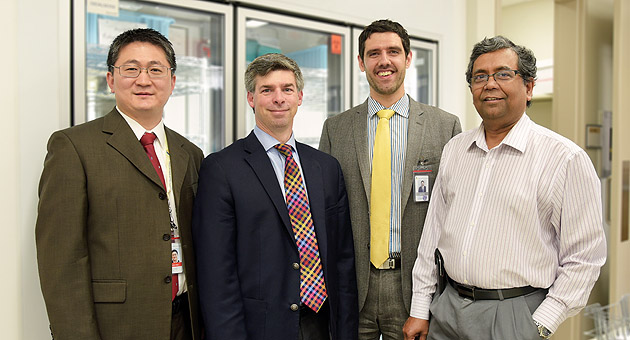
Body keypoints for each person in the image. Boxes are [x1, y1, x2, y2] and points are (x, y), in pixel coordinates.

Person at [402, 36, 607, 340]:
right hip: (447, 309)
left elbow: (584, 259)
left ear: (529, 87)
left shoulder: (564, 159)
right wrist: (420, 308)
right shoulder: (456, 149)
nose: (490, 84)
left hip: (514, 314)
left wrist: (539, 325)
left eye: (503, 74)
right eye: (479, 76)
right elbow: (433, 235)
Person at [35, 28, 203, 340]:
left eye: (156, 69)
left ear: (173, 81)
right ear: (111, 80)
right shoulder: (73, 146)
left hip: (187, 322)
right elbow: (61, 260)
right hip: (116, 324)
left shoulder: (190, 153)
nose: (144, 80)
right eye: (131, 69)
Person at [192, 53, 358, 340]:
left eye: (287, 89)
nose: (278, 98)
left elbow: (342, 261)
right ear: (251, 98)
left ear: (300, 97)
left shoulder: (326, 167)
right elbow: (216, 273)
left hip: (322, 323)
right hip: (261, 328)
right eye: (267, 90)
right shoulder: (221, 168)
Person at [319, 19, 461, 340]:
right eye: (374, 53)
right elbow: (325, 212)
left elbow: (454, 213)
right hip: (354, 287)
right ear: (361, 62)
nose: (384, 61)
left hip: (414, 288)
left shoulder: (445, 126)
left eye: (393, 52)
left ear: (408, 58)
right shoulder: (336, 129)